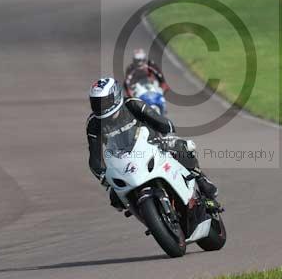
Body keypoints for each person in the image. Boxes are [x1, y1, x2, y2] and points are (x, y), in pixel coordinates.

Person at [86, 77, 218, 210]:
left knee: (181, 146)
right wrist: (103, 176)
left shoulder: (132, 104)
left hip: (152, 144)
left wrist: (165, 127)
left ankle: (201, 179)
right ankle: (147, 215)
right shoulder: (93, 124)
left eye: (104, 102)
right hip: (123, 160)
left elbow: (159, 120)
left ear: (116, 96)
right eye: (96, 103)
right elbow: (94, 157)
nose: (100, 107)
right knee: (116, 199)